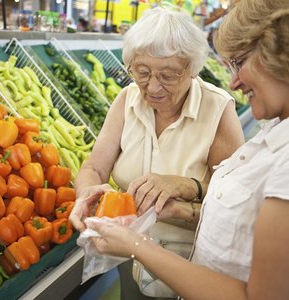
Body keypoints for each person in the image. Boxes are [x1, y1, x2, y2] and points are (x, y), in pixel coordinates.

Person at [82, 0, 289, 299]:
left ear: (192, 70)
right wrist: (89, 196)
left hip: (182, 265)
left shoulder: (222, 110)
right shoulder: (272, 135)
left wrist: (185, 190)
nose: (153, 87)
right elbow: (234, 204)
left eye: (167, 75)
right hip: (140, 265)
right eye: (141, 72)